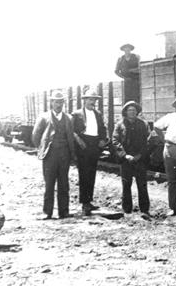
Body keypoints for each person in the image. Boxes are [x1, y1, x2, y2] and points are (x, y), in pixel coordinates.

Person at [31, 91, 76, 220]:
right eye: (56, 102)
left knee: (64, 184)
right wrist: (42, 148)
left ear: (64, 103)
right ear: (51, 102)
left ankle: (64, 212)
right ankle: (47, 212)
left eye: (61, 102)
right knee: (49, 184)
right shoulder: (44, 117)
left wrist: (70, 153)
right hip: (49, 155)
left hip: (64, 155)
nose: (58, 104)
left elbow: (70, 137)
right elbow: (35, 135)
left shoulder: (69, 118)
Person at [71, 87, 108, 216]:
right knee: (84, 174)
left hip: (95, 145)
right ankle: (84, 203)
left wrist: (103, 139)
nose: (93, 102)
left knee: (91, 173)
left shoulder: (98, 114)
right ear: (85, 100)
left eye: (94, 99)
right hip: (83, 145)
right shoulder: (76, 114)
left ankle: (89, 201)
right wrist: (79, 141)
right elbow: (72, 131)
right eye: (90, 99)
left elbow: (103, 128)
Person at [111, 101, 151, 215]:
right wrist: (124, 155)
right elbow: (115, 140)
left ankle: (144, 209)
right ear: (125, 112)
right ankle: (127, 210)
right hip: (126, 160)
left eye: (134, 110)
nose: (132, 112)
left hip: (140, 159)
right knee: (126, 185)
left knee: (142, 185)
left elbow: (149, 141)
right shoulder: (120, 125)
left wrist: (140, 155)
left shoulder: (143, 124)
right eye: (129, 110)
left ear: (137, 112)